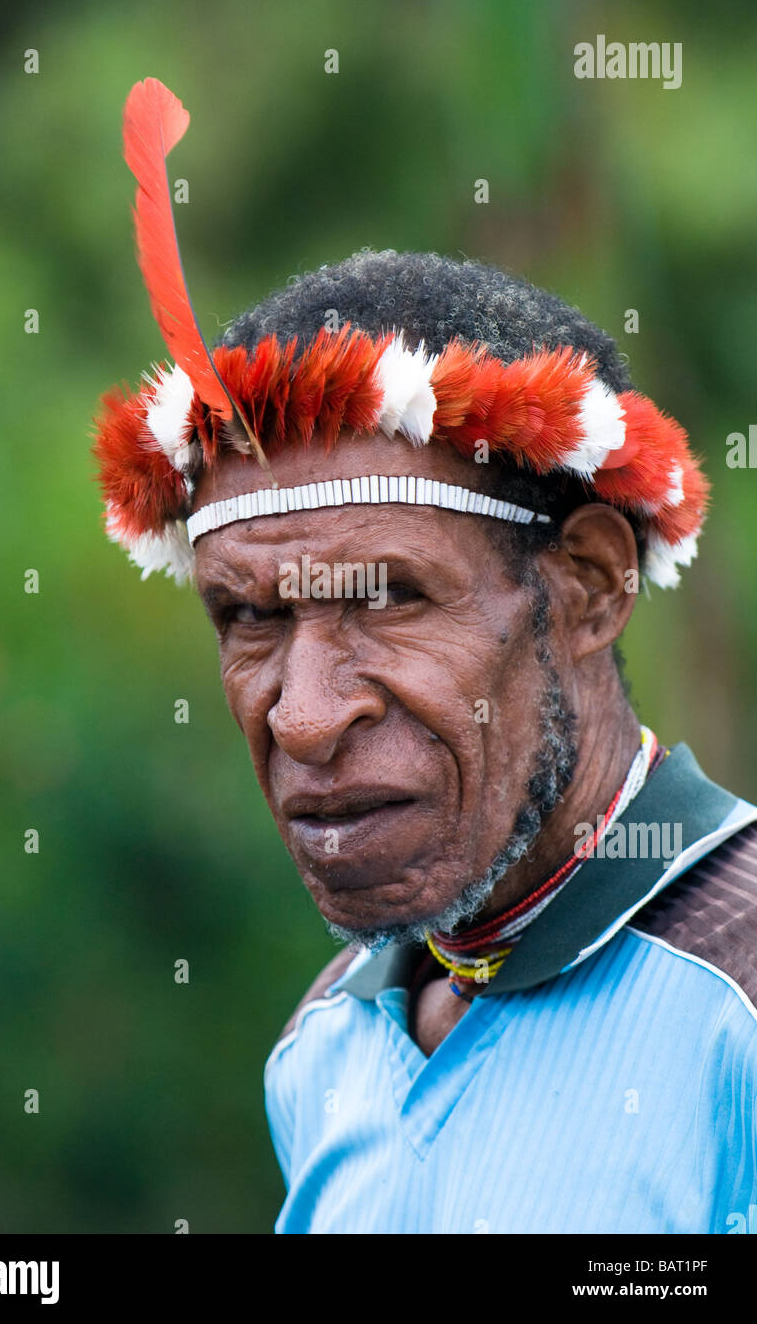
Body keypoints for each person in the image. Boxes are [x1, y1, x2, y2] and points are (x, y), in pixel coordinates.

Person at [93, 79, 757, 1234]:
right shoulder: (326, 1043)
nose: (302, 715)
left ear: (590, 586)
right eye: (249, 617)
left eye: (391, 597)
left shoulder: (736, 993)